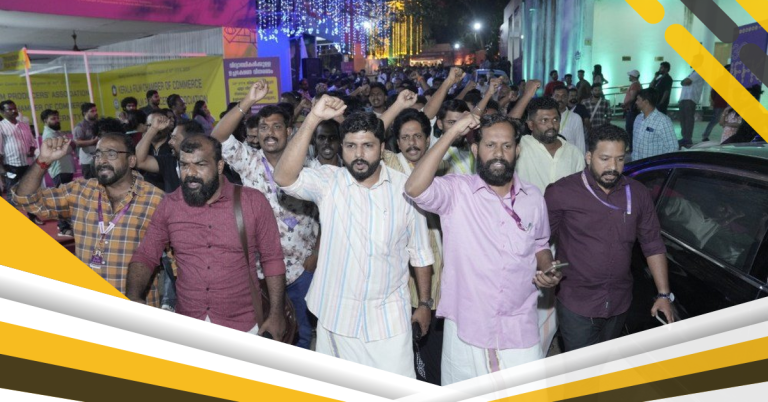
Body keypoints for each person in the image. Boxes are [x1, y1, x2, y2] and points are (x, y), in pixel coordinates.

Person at [273, 96, 434, 377]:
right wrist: (312, 118)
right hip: (337, 318)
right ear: (341, 147)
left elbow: (420, 253)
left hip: (389, 322)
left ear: (382, 148)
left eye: (367, 146)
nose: (359, 154)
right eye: (350, 146)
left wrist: (424, 304)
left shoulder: (406, 189)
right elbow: (283, 178)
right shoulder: (328, 181)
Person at [404, 112, 560, 385]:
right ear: (476, 150)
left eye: (507, 145)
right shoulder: (457, 192)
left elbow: (540, 244)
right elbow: (414, 188)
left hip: (519, 325)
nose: (499, 153)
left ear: (517, 150)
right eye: (490, 145)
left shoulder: (533, 197)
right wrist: (452, 133)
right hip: (467, 327)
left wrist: (548, 267)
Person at [127, 135, 287, 338]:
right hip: (188, 322)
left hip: (243, 325)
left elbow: (272, 259)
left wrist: (276, 314)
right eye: (184, 165)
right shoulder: (170, 205)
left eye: (200, 165)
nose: (190, 173)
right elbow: (146, 254)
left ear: (219, 166)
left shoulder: (252, 202)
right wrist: (133, 297)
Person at [544, 125, 675, 352]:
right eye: (604, 159)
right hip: (577, 303)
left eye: (620, 159)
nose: (613, 167)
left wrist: (664, 294)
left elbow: (652, 243)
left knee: (606, 362)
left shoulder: (637, 193)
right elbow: (539, 240)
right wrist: (544, 268)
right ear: (588, 157)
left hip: (619, 302)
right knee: (581, 368)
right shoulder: (561, 192)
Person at [212, 82, 320, 350]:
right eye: (263, 127)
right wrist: (247, 101)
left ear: (289, 131)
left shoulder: (308, 164)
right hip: (260, 271)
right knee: (266, 335)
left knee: (303, 335)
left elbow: (327, 213)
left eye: (276, 126)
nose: (269, 133)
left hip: (302, 269)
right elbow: (218, 137)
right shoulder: (248, 161)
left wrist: (316, 254)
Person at [12, 132, 165, 305]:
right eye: (98, 154)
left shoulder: (156, 200)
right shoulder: (80, 191)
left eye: (111, 154)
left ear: (131, 161)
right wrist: (43, 161)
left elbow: (177, 258)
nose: (102, 160)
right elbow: (25, 199)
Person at [382, 108, 447, 385]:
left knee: (435, 350)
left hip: (439, 272)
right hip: (402, 276)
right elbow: (372, 133)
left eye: (418, 136)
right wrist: (397, 104)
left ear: (428, 139)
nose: (412, 143)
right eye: (405, 137)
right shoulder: (389, 165)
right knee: (406, 352)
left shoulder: (441, 168)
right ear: (397, 142)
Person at [517, 97, 585, 194]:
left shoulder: (574, 153)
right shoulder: (520, 146)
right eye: (544, 120)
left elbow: (581, 190)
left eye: (555, 120)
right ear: (531, 125)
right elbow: (504, 128)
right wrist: (527, 94)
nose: (551, 125)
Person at [0, 100, 41, 223]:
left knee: (30, 192)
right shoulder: (1, 127)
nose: (14, 111)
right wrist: (2, 170)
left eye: (15, 108)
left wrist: (31, 150)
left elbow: (32, 142)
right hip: (11, 166)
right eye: (10, 109)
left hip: (27, 165)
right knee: (12, 194)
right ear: (2, 112)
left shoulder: (24, 125)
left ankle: (33, 217)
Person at [41, 109, 76, 237]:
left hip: (65, 168)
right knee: (62, 200)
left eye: (57, 118)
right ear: (45, 121)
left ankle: (65, 224)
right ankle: (63, 228)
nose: (57, 120)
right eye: (53, 119)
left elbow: (69, 146)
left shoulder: (56, 133)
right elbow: (66, 149)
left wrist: (70, 145)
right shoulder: (49, 135)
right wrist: (71, 145)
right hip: (59, 170)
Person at [632, 88, 678, 161]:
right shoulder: (638, 118)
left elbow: (672, 147)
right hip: (637, 164)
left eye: (638, 99)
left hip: (652, 166)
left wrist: (662, 164)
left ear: (646, 102)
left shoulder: (663, 121)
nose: (636, 102)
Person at [552, 85, 586, 154]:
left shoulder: (576, 118)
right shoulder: (546, 118)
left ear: (567, 98)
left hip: (570, 158)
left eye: (563, 96)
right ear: (552, 98)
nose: (560, 99)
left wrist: (581, 159)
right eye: (557, 96)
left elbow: (580, 144)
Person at [678, 67, 705, 148]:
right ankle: (684, 137)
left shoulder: (699, 72)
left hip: (690, 99)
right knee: (683, 119)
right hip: (684, 98)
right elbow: (684, 82)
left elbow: (687, 81)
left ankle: (688, 138)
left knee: (688, 119)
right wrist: (683, 82)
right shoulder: (692, 73)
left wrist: (683, 82)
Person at [73, 102, 99, 180]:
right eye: (92, 111)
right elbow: (77, 143)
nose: (95, 113)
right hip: (88, 160)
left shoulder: (99, 124)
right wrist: (92, 142)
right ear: (85, 113)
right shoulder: (80, 127)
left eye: (96, 110)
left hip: (99, 158)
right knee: (91, 183)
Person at [623, 70, 643, 149]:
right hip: (633, 110)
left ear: (633, 76)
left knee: (630, 129)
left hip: (631, 110)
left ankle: (632, 147)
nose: (629, 77)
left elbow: (632, 97)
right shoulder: (637, 84)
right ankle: (632, 147)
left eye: (630, 75)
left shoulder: (635, 85)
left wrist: (624, 104)